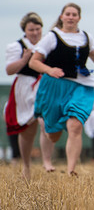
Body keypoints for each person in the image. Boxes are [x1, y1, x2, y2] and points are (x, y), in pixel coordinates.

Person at [29, 3, 94, 176]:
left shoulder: (86, 37)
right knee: (53, 134)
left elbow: (93, 54)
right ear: (62, 17)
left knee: (75, 125)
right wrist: (49, 70)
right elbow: (33, 62)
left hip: (79, 85)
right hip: (54, 86)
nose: (70, 17)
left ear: (79, 18)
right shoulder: (52, 37)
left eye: (74, 14)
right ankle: (49, 132)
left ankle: (71, 170)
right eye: (67, 14)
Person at [4, 12, 55, 179]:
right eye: (31, 30)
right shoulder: (17, 46)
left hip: (43, 86)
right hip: (24, 88)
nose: (34, 33)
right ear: (25, 30)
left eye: (37, 29)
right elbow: (9, 70)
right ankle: (26, 166)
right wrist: (24, 60)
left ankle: (47, 160)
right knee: (27, 130)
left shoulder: (47, 43)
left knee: (45, 122)